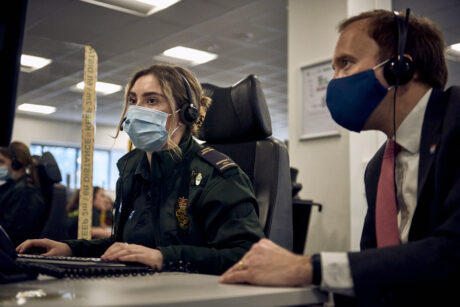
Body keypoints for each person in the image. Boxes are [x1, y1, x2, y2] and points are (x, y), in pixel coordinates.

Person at [220, 9, 460, 306]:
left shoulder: (456, 121)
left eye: (345, 64)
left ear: (400, 68)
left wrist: (307, 268)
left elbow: (453, 252)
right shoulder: (379, 168)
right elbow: (375, 268)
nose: (334, 82)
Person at [17, 64, 265, 275]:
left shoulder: (217, 175)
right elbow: (126, 246)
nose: (136, 109)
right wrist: (71, 249)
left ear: (186, 113)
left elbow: (247, 256)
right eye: (132, 100)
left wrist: (164, 258)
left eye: (152, 100)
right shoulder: (132, 168)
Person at [0, 141, 46, 246]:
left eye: (1, 162)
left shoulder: (25, 192)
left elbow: (11, 231)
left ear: (17, 163)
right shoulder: (13, 186)